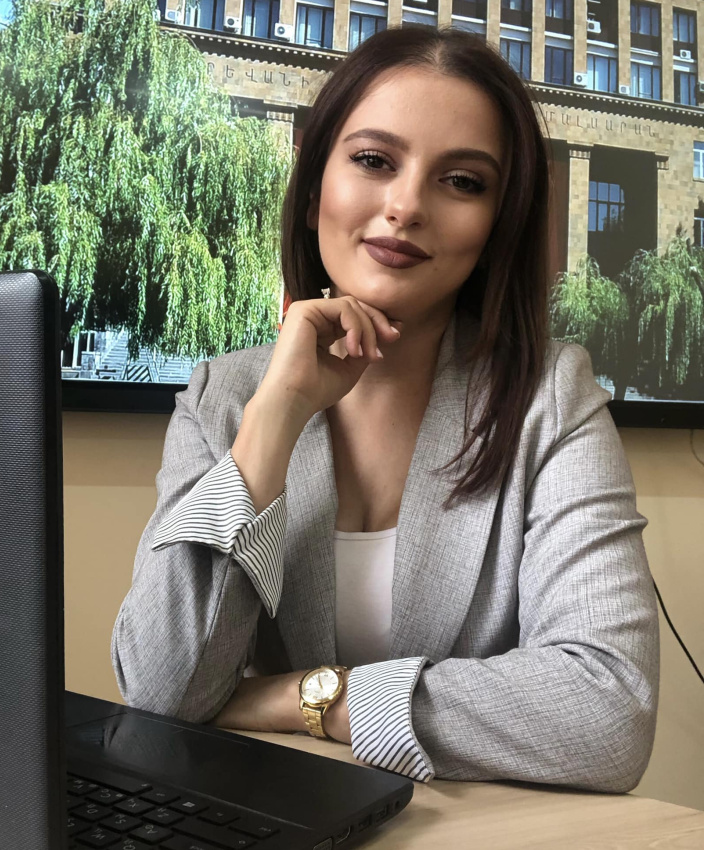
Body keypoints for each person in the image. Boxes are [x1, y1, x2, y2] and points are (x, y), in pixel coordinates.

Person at [111, 25, 659, 791]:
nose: (405, 206)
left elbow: (608, 714)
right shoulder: (222, 397)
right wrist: (275, 416)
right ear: (313, 195)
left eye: (462, 181)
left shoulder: (552, 397)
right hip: (274, 819)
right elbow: (164, 690)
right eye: (374, 161)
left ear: (495, 226)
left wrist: (313, 698)